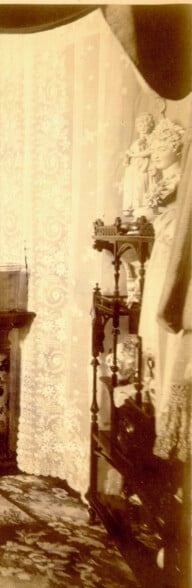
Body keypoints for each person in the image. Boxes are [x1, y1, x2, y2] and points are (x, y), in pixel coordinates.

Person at [137, 117, 188, 462]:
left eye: (161, 147)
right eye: (153, 147)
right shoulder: (159, 180)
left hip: (175, 256)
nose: (155, 153)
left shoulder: (181, 182)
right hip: (162, 254)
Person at [121, 112, 156, 217]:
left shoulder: (152, 139)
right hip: (133, 169)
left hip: (144, 168)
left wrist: (134, 155)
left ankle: (141, 208)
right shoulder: (136, 142)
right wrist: (127, 157)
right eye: (140, 125)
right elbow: (129, 155)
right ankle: (133, 208)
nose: (143, 127)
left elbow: (150, 151)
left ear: (150, 126)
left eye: (145, 124)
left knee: (142, 186)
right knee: (132, 186)